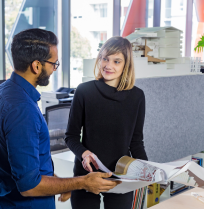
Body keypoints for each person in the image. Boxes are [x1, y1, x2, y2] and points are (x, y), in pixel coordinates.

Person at [0, 29, 120, 209]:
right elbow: (29, 186)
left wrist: (58, 182)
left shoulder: (6, 91)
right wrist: (82, 182)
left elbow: (19, 161)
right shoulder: (23, 110)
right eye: (54, 64)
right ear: (36, 66)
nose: (54, 69)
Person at [65, 36, 148, 209]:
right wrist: (84, 153)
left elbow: (136, 142)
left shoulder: (137, 96)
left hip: (120, 177)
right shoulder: (84, 91)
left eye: (116, 61)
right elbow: (71, 137)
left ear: (126, 64)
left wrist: (148, 170)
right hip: (87, 177)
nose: (108, 66)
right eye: (105, 59)